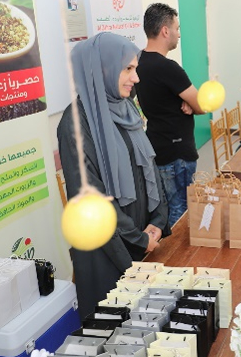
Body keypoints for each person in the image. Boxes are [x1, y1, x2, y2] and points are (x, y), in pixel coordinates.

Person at [57, 32, 170, 320]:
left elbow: (148, 164)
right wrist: (138, 239)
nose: (136, 78)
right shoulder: (76, 123)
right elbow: (92, 198)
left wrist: (157, 220)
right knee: (117, 329)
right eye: (128, 69)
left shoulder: (126, 106)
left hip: (142, 234)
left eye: (135, 68)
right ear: (103, 69)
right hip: (108, 249)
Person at [135, 3, 206, 228]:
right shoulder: (168, 67)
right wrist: (191, 104)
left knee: (166, 208)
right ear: (165, 31)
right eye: (177, 28)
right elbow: (202, 105)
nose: (179, 34)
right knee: (180, 211)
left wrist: (187, 102)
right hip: (177, 154)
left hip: (157, 147)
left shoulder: (137, 62)